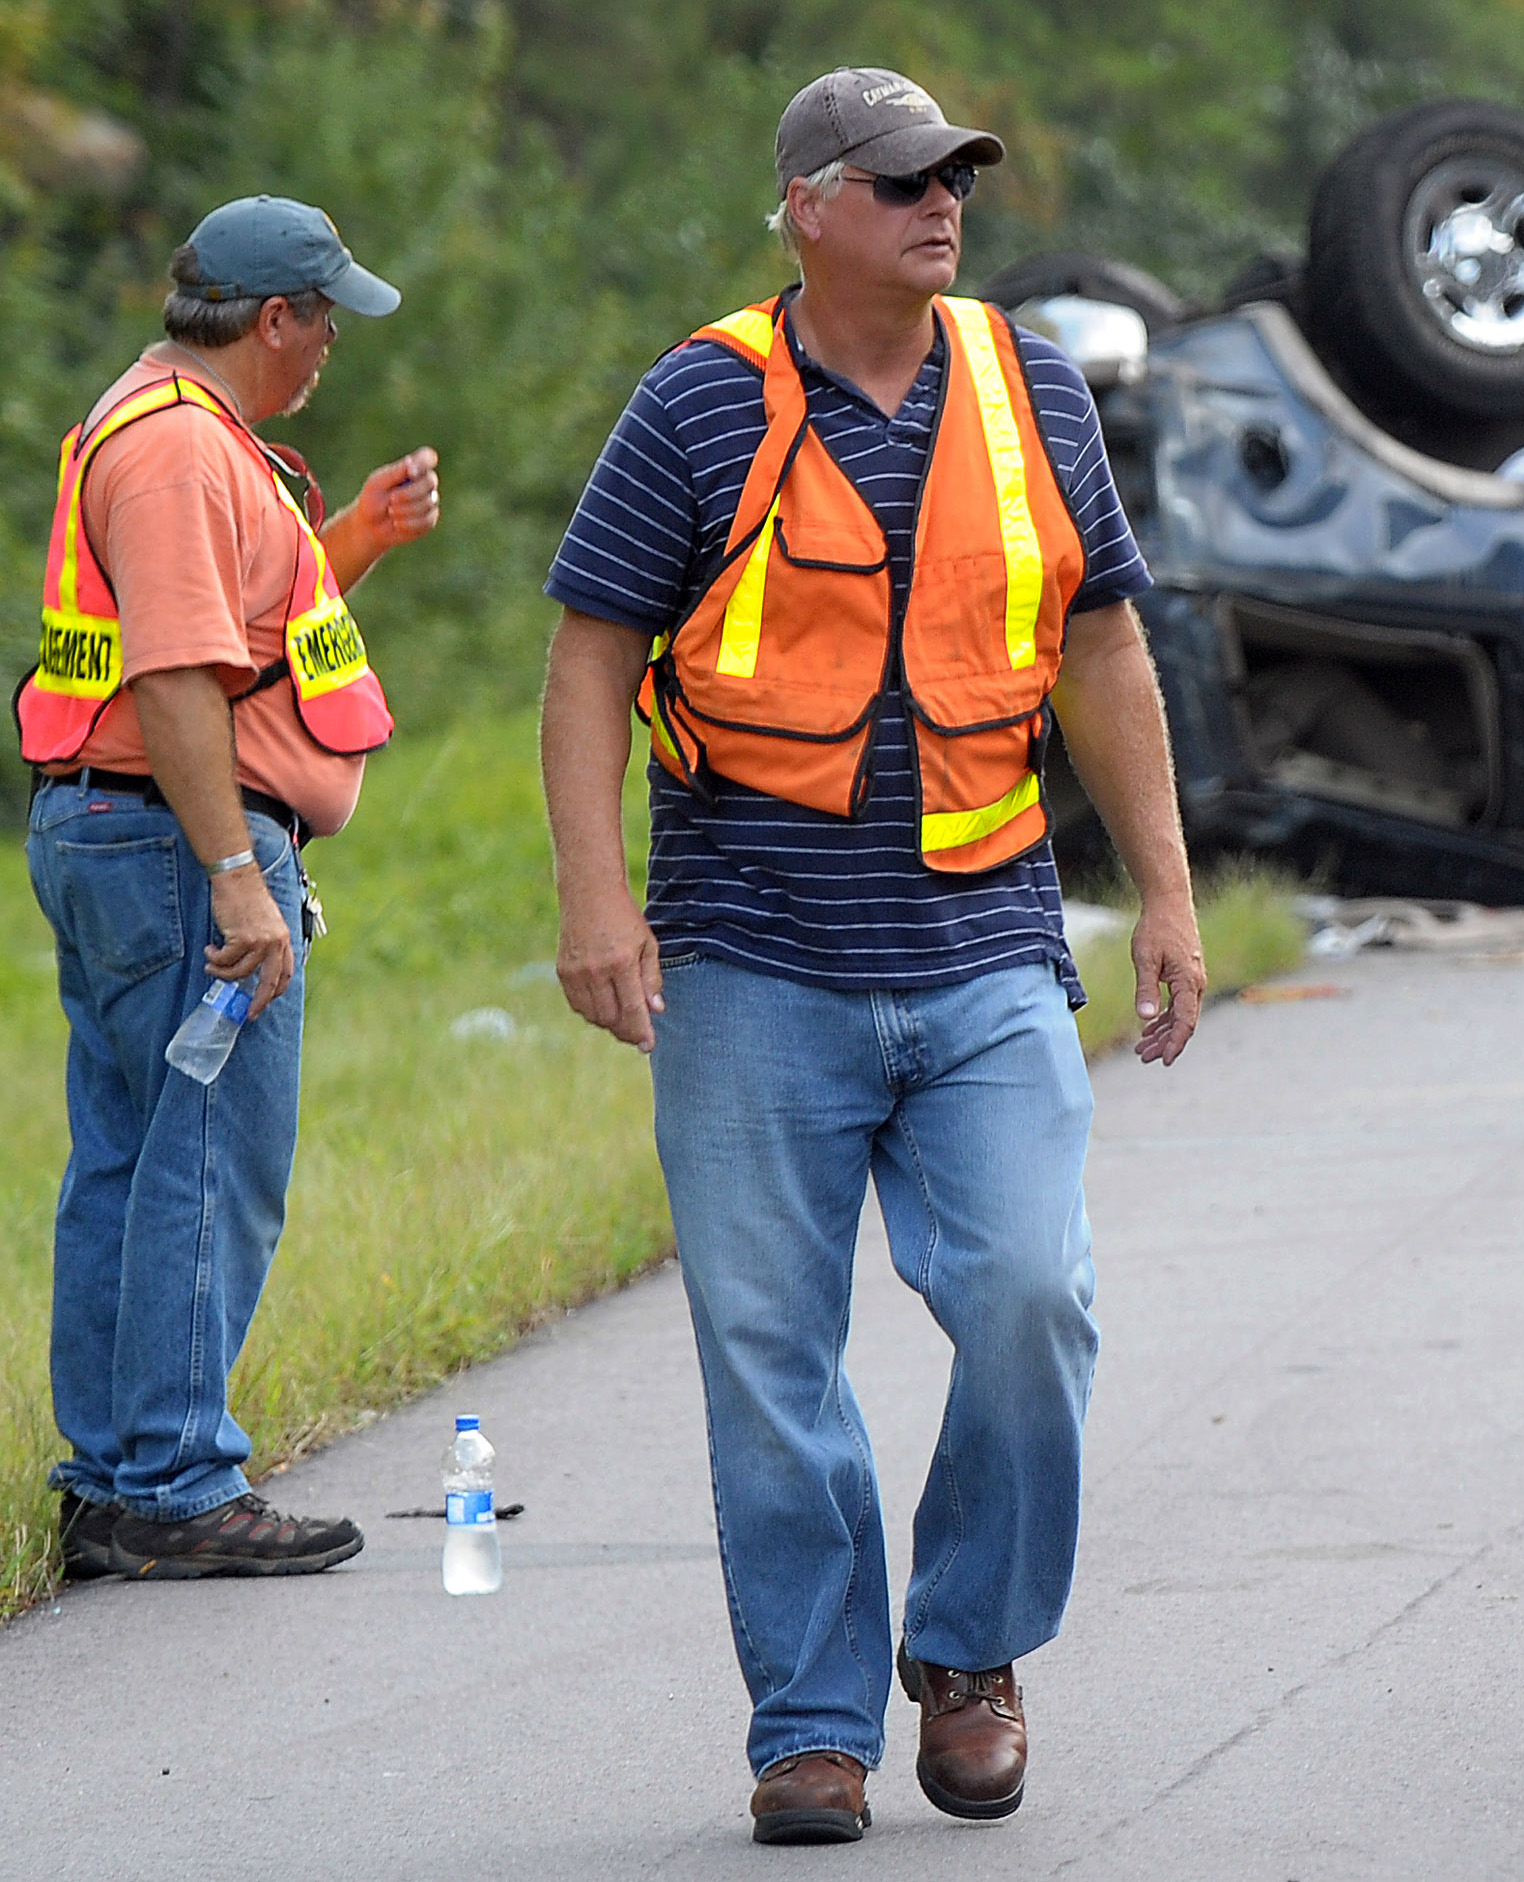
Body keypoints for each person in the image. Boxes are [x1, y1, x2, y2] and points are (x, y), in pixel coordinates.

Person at [538, 67, 1204, 1846]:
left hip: (985, 942)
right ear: (809, 207)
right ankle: (812, 1722)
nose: (942, 202)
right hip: (752, 964)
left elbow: (1103, 646)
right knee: (772, 1359)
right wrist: (596, 901)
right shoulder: (698, 401)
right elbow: (593, 655)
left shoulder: (1030, 384)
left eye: (956, 174)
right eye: (903, 176)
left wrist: (1168, 894)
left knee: (1030, 1303)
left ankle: (970, 1648)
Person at [17, 196, 439, 1581]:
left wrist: (356, 538)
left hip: (124, 836)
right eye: (324, 318)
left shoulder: (161, 427)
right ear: (275, 319)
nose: (329, 344)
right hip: (178, 851)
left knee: (134, 1162)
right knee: (208, 1165)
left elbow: (237, 630)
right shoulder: (184, 456)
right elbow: (179, 679)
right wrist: (235, 881)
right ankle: (180, 1480)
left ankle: (115, 1481)